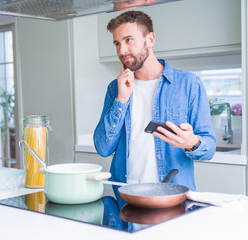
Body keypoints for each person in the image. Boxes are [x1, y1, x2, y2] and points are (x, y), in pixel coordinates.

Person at [93, 11, 216, 208]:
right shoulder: (115, 88)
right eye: (117, 43)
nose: (121, 50)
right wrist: (121, 100)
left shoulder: (189, 84)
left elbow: (209, 148)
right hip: (126, 199)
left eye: (128, 40)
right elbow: (103, 148)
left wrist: (192, 142)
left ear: (150, 39)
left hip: (173, 200)